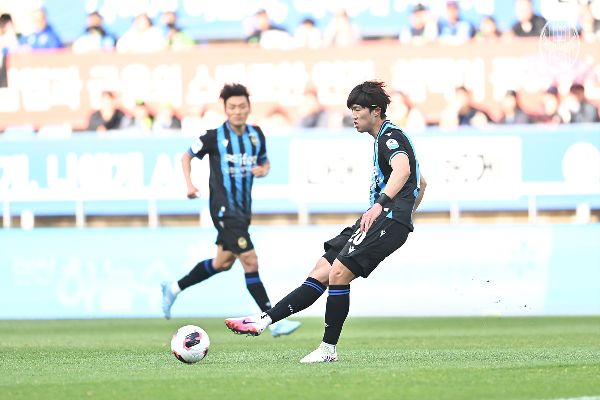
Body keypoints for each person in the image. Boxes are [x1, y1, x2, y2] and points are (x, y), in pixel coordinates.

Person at [224, 81, 427, 362]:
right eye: (351, 109)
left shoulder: (390, 136)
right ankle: (264, 320)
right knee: (323, 269)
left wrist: (389, 211)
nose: (353, 115)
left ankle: (328, 350)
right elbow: (421, 182)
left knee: (339, 273)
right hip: (381, 218)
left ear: (376, 110)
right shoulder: (382, 137)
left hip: (385, 218)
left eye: (358, 109)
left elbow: (403, 171)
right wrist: (405, 214)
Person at [161, 83, 301, 338]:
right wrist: (189, 185)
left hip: (243, 210)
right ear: (225, 110)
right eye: (232, 107)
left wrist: (263, 170)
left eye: (242, 106)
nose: (238, 111)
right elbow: (186, 156)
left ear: (249, 108)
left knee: (222, 263)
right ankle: (273, 320)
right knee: (250, 260)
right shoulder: (213, 137)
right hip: (224, 210)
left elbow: (265, 162)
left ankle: (173, 288)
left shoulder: (256, 135)